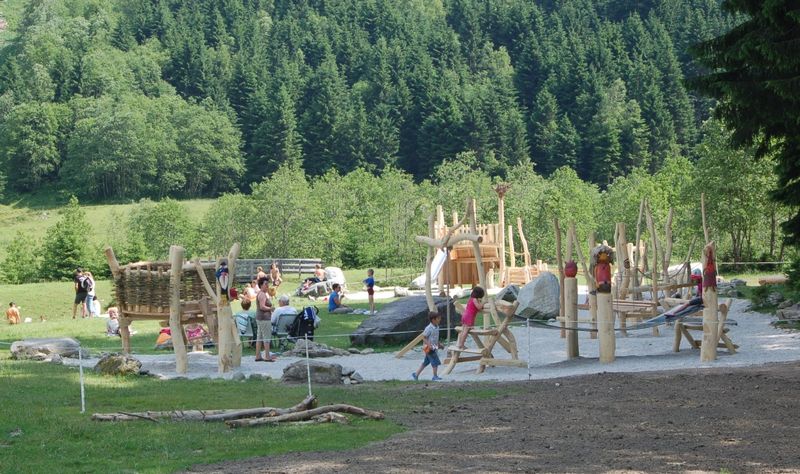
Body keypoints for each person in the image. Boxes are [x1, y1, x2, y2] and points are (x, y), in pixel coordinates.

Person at [412, 312, 444, 381]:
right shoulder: (429, 328)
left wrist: (439, 344)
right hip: (428, 348)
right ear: (433, 320)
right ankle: (435, 376)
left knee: (426, 362)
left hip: (434, 347)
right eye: (438, 318)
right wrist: (429, 345)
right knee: (435, 361)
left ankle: (416, 374)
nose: (440, 319)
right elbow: (424, 337)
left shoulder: (437, 327)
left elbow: (435, 338)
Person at [254, 276, 276, 361]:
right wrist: (271, 308)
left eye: (268, 284)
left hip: (259, 318)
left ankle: (258, 355)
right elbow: (262, 307)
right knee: (267, 337)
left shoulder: (260, 293)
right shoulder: (262, 294)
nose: (267, 286)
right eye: (265, 284)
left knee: (259, 337)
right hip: (264, 318)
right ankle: (267, 356)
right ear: (261, 285)